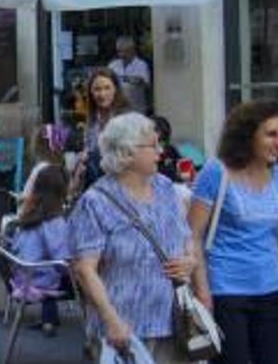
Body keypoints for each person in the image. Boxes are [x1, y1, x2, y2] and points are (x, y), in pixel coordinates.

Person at [69, 113, 195, 363]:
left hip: (172, 322)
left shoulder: (166, 188)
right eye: (153, 145)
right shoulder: (95, 202)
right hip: (125, 329)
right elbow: (85, 270)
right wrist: (112, 321)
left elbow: (186, 237)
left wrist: (189, 261)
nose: (161, 151)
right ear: (126, 151)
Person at [188, 100, 278, 364]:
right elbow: (192, 236)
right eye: (271, 134)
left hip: (273, 290)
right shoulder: (216, 171)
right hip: (226, 292)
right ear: (248, 134)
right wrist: (202, 291)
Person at [10, 164, 70, 337]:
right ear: (61, 192)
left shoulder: (28, 214)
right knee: (86, 278)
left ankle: (49, 319)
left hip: (20, 276)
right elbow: (62, 260)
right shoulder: (53, 222)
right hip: (39, 280)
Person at [71, 68, 129, 194]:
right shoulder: (92, 120)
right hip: (95, 185)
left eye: (107, 88)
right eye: (97, 89)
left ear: (115, 90)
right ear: (91, 92)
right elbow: (88, 148)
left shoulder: (126, 119)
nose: (102, 94)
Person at [108, 36, 151, 114]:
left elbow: (147, 86)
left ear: (132, 50)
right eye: (119, 51)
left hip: (137, 109)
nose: (122, 55)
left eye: (125, 51)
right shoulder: (113, 65)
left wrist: (139, 81)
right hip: (117, 110)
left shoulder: (141, 65)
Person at [151, 116, 184, 183]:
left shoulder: (170, 150)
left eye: (163, 141)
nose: (160, 149)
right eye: (157, 142)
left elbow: (182, 164)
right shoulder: (144, 156)